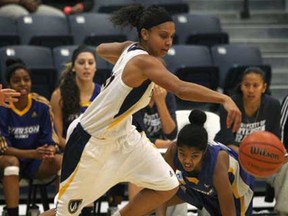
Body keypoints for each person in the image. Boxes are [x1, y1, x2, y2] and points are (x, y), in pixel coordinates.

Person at [40, 4, 241, 216]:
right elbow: (181, 89)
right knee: (65, 213)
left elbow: (100, 49)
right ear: (145, 33)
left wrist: (123, 69)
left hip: (124, 135)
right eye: (163, 36)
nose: (169, 42)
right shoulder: (144, 62)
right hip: (90, 140)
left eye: (172, 36)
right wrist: (224, 98)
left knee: (168, 185)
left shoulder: (131, 48)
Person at [157, 110, 254, 216]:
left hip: (236, 191)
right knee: (152, 197)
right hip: (202, 187)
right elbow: (162, 189)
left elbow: (229, 212)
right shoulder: (173, 151)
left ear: (203, 153)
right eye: (182, 154)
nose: (187, 161)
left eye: (194, 156)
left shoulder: (217, 162)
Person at [0, 57, 62, 216]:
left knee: (61, 160)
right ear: (8, 85)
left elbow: (50, 138)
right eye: (16, 81)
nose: (22, 84)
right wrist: (31, 153)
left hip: (36, 161)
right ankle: (13, 213)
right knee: (11, 162)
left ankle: (63, 211)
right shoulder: (2, 107)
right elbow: (3, 149)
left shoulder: (41, 104)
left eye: (26, 79)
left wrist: (49, 149)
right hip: (9, 160)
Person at [131, 85, 188, 215]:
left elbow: (171, 133)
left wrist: (160, 102)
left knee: (177, 179)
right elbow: (139, 136)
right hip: (138, 153)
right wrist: (168, 145)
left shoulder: (167, 96)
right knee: (137, 178)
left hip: (162, 154)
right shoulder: (135, 97)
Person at [215, 66, 281, 151]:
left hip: (259, 153)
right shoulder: (229, 106)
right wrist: (249, 159)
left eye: (255, 85)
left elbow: (275, 138)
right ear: (241, 86)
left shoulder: (273, 105)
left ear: (264, 88)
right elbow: (227, 141)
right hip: (229, 151)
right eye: (246, 85)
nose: (250, 90)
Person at [50, 45, 101, 150]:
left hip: (97, 150)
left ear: (95, 67)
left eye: (90, 63)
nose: (86, 67)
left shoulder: (103, 93)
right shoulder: (58, 95)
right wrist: (77, 151)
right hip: (69, 150)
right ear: (73, 67)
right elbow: (57, 137)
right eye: (81, 63)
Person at [0, 0, 64, 20]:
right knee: (22, 16)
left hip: (30, 6)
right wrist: (20, 1)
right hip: (6, 5)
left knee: (59, 16)